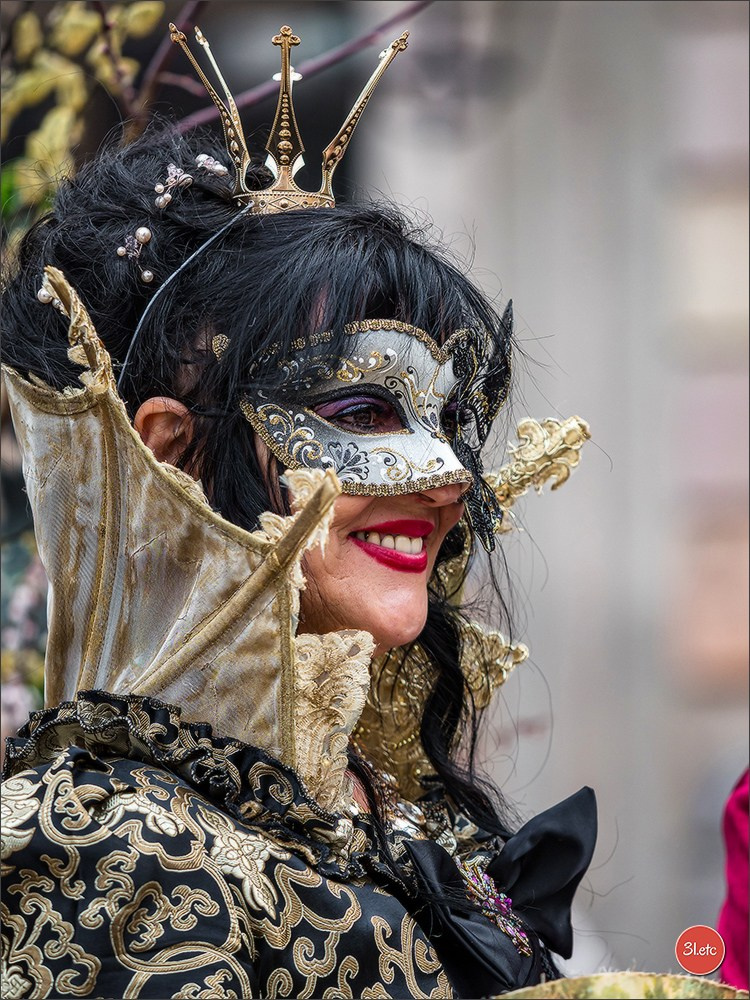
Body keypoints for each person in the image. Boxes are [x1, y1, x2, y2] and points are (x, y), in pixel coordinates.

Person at [0, 22, 596, 999]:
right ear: (173, 449)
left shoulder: (397, 808)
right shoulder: (114, 845)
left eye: (449, 422)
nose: (447, 478)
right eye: (361, 411)